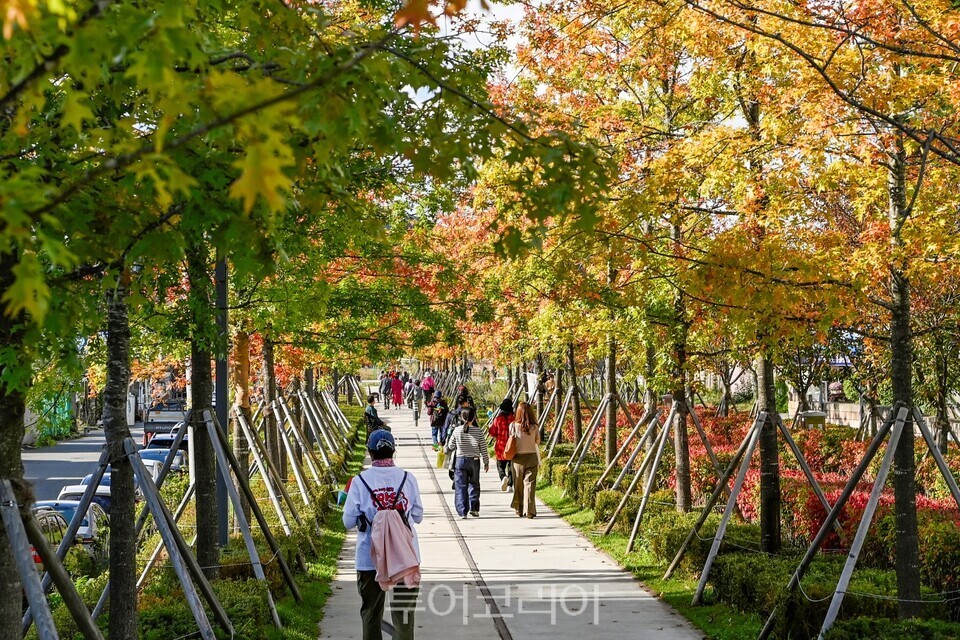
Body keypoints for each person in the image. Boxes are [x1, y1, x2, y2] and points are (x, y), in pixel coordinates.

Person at [343, 430, 423, 640]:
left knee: (371, 613)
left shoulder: (359, 482)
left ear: (370, 453)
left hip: (369, 557)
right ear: (393, 451)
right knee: (404, 616)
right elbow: (418, 516)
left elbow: (348, 522)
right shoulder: (407, 478)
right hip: (405, 556)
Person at [444, 407, 489, 518]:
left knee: (460, 486)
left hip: (460, 460)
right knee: (474, 484)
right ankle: (474, 508)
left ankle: (463, 511)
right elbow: (483, 447)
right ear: (474, 418)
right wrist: (486, 462)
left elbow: (450, 446)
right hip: (474, 460)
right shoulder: (478, 431)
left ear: (461, 417)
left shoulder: (457, 430)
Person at [510, 401, 541, 518]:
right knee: (530, 484)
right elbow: (537, 441)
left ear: (518, 412)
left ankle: (519, 508)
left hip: (517, 459)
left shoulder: (512, 426)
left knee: (518, 485)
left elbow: (511, 441)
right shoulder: (535, 427)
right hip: (531, 457)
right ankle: (529, 511)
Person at [488, 398, 515, 492]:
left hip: (501, 447)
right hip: (512, 447)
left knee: (500, 466)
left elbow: (492, 433)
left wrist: (490, 428)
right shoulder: (514, 419)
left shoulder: (498, 419)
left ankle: (503, 477)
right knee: (511, 466)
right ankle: (510, 485)